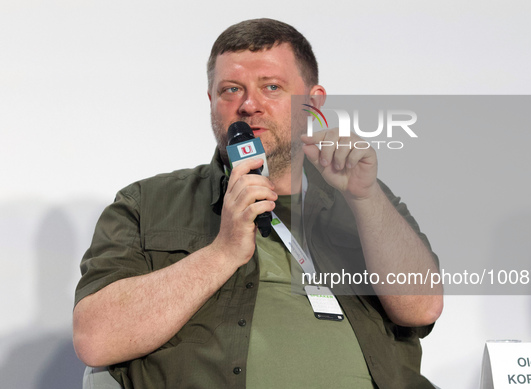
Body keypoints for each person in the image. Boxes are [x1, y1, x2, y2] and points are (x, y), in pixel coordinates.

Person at [73, 18, 443, 388]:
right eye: (231, 90)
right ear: (212, 103)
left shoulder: (366, 200)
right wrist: (223, 252)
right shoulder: (148, 203)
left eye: (272, 87)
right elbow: (96, 340)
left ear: (312, 103)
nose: (249, 105)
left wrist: (365, 198)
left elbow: (422, 307)